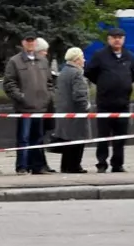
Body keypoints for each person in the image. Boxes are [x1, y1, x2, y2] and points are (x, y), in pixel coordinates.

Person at [84, 27, 134, 173]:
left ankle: (117, 164)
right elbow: (89, 72)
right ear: (108, 39)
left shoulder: (129, 56)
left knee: (120, 137)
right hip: (105, 103)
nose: (117, 39)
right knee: (103, 136)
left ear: (124, 39)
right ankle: (101, 163)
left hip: (123, 103)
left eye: (120, 37)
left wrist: (123, 85)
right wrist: (103, 84)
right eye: (114, 37)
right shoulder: (100, 55)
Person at [3, 31, 53, 175]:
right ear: (23, 43)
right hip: (24, 107)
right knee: (23, 138)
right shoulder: (15, 61)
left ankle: (37, 166)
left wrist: (48, 96)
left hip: (40, 106)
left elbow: (49, 82)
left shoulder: (43, 61)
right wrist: (20, 97)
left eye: (33, 41)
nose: (30, 43)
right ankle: (22, 166)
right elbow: (9, 83)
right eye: (28, 40)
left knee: (38, 138)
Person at [53, 46, 89, 174]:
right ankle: (75, 166)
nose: (84, 61)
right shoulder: (77, 73)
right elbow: (79, 94)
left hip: (64, 110)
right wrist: (86, 106)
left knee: (67, 140)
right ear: (77, 59)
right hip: (76, 113)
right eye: (82, 58)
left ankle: (65, 166)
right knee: (77, 140)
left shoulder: (64, 72)